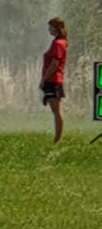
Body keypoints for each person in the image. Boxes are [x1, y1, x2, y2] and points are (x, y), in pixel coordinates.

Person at [41, 16, 68, 144]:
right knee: (55, 110)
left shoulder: (58, 43)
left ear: (56, 28)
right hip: (53, 79)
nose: (49, 30)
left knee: (57, 111)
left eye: (50, 27)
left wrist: (44, 78)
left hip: (53, 80)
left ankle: (58, 140)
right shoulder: (58, 42)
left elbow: (54, 63)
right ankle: (58, 138)